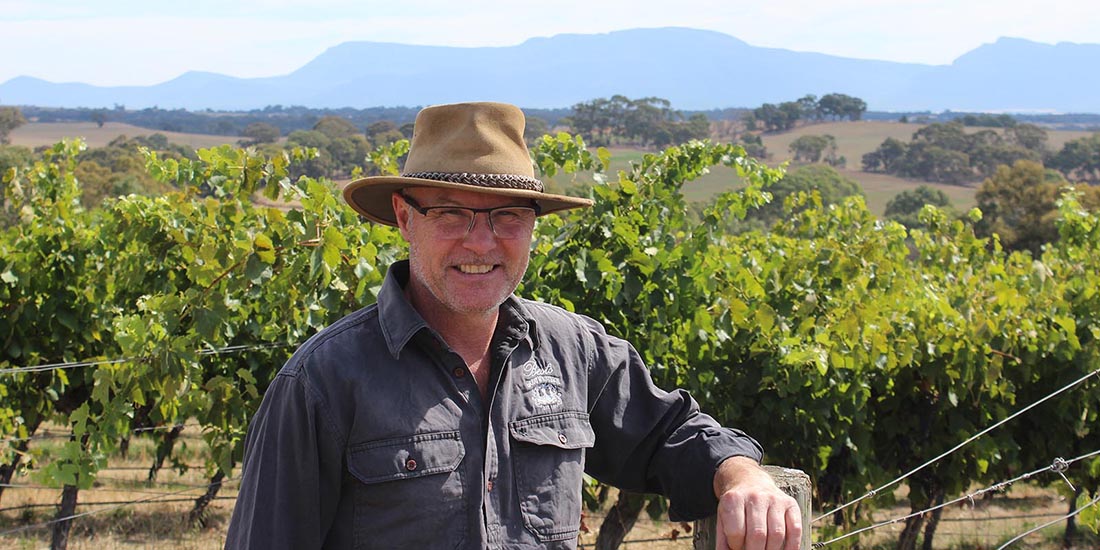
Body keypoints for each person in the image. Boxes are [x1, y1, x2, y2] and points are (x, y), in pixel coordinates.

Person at [225, 101, 802, 549]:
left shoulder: (572, 351)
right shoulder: (321, 382)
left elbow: (670, 433)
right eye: (450, 212)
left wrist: (741, 477)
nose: (482, 241)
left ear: (532, 227)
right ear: (405, 218)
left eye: (507, 216)